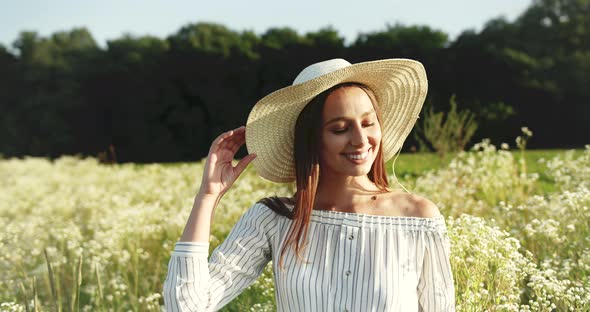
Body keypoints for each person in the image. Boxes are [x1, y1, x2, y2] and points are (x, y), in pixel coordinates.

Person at [163, 58, 456, 311]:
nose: (360, 139)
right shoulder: (273, 219)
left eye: (368, 123)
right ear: (311, 139)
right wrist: (208, 196)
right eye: (340, 129)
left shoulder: (418, 219)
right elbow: (187, 306)